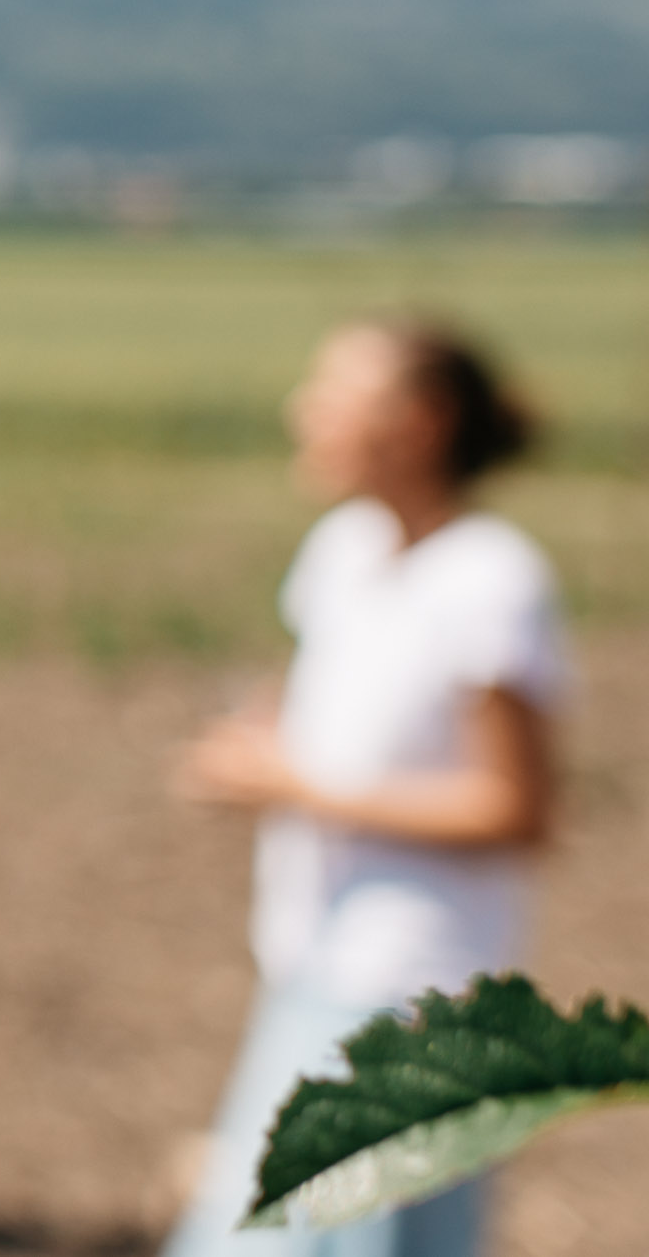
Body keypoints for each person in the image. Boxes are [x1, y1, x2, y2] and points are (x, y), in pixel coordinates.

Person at [165, 317, 565, 1257]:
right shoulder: (343, 550)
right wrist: (268, 749)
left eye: (334, 397)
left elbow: (517, 807)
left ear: (419, 424)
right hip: (316, 956)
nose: (303, 413)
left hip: (414, 988)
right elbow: (334, 709)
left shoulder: (493, 582)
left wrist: (294, 785)